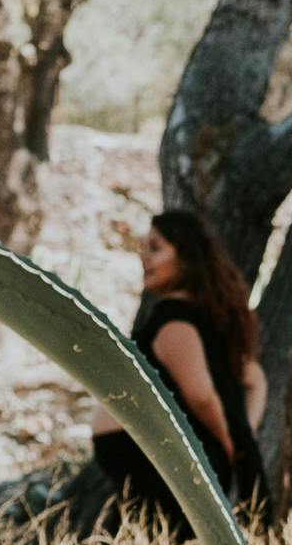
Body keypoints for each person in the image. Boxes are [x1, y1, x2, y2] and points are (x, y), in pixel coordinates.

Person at [81, 205, 269, 528]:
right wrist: (242, 437)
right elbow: (256, 380)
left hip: (159, 462)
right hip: (160, 460)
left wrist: (230, 444)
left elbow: (201, 395)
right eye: (143, 249)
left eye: (155, 248)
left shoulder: (174, 324)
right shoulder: (205, 322)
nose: (144, 258)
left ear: (187, 257)